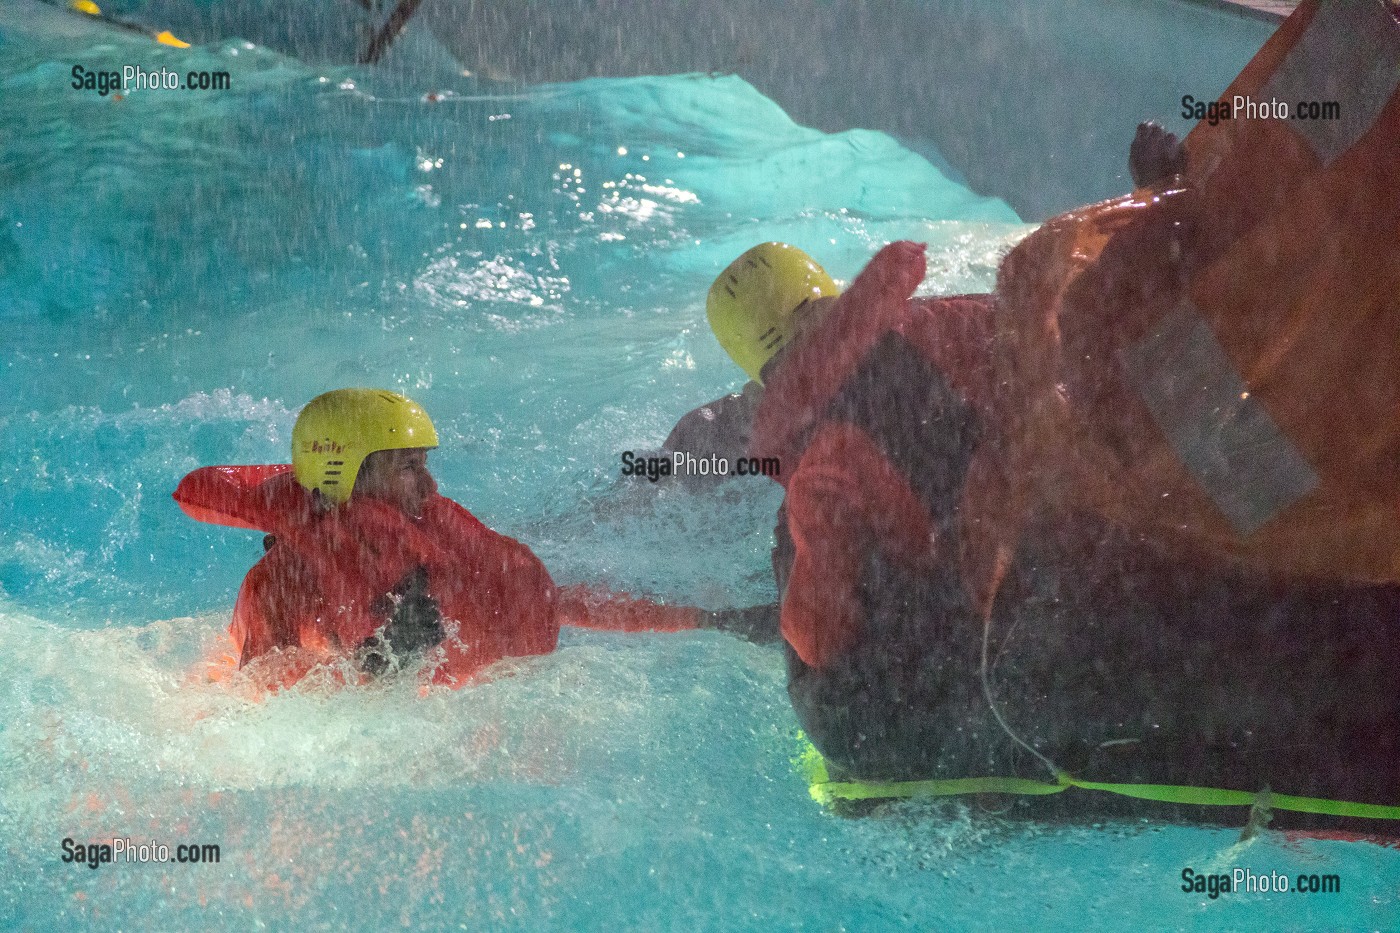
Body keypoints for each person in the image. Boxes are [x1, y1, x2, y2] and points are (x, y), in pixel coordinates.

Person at [726, 0, 1400, 824]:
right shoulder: (956, 318)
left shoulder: (822, 457)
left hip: (1075, 566)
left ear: (766, 379)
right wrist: (1167, 215)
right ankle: (1192, 220)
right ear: (832, 296)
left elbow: (820, 635)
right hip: (1155, 444)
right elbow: (1069, 324)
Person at [175, 388, 708, 690]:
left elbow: (553, 602)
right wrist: (384, 664)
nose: (429, 485)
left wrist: (706, 620)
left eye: (425, 465)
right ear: (347, 474)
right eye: (408, 468)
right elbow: (266, 725)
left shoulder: (433, 544)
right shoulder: (278, 592)